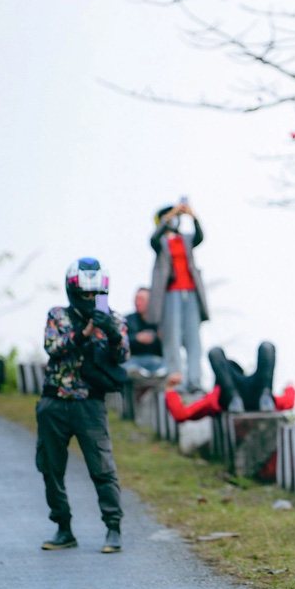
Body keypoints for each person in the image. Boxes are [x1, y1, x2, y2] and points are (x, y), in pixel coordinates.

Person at [36, 257, 130, 554]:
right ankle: (64, 528)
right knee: (51, 468)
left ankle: (113, 529)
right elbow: (53, 347)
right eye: (84, 293)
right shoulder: (58, 315)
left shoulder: (114, 319)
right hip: (55, 402)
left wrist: (111, 333)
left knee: (102, 469)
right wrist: (84, 333)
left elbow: (122, 356)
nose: (89, 298)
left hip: (90, 405)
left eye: (94, 293)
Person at [146, 201, 209, 393]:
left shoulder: (186, 239)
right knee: (171, 338)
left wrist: (192, 215)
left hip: (190, 293)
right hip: (169, 294)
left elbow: (200, 237)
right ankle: (177, 381)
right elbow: (154, 238)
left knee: (193, 340)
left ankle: (195, 381)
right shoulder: (161, 243)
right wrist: (170, 214)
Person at [164, 343, 295, 422]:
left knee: (215, 352)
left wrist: (170, 389)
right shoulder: (217, 395)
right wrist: (290, 387)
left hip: (229, 397)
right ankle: (261, 396)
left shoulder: (214, 396)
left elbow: (182, 414)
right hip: (259, 397)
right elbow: (289, 402)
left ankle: (234, 399)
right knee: (266, 347)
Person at [123, 287, 164, 377]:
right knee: (127, 367)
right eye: (136, 299)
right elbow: (119, 340)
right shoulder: (128, 320)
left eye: (141, 299)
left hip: (157, 360)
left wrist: (163, 338)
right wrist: (136, 338)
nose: (138, 302)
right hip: (133, 360)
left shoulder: (161, 321)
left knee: (167, 366)